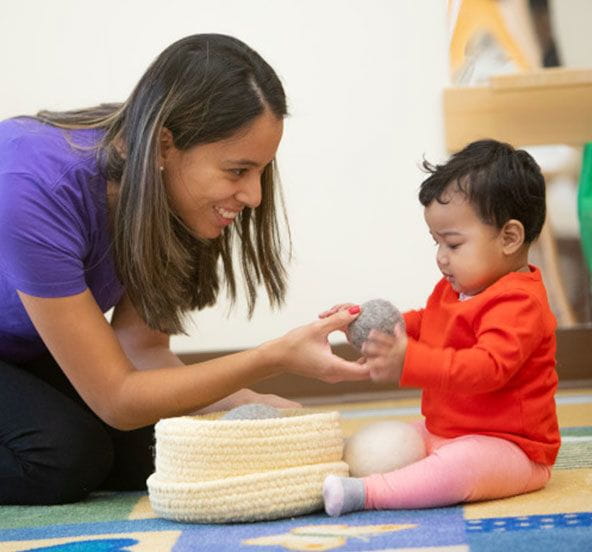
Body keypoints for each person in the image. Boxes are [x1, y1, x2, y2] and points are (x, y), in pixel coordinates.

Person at [0, 33, 368, 505]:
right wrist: (272, 357)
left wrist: (244, 401)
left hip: (19, 346)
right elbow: (117, 397)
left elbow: (142, 349)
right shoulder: (31, 189)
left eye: (261, 171)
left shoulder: (161, 187)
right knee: (62, 458)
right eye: (238, 172)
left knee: (158, 450)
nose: (254, 196)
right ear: (164, 147)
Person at [321, 139, 560, 516]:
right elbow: (428, 322)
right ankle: (329, 470)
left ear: (509, 237)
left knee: (459, 468)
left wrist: (410, 360)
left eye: (452, 243)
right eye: (436, 242)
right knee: (378, 443)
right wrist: (373, 325)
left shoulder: (520, 302)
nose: (440, 258)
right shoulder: (457, 288)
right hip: (444, 431)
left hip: (512, 448)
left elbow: (486, 368)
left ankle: (367, 494)